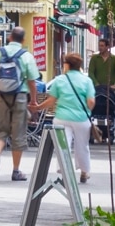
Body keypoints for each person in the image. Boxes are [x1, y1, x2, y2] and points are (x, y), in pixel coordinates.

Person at [0, 27, 40, 182]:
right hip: (20, 96)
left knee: (0, 130)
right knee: (18, 133)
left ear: (9, 37)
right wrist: (33, 101)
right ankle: (16, 171)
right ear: (23, 40)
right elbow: (32, 82)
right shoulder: (26, 56)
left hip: (0, 96)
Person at [33, 53, 96, 183]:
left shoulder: (60, 80)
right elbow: (91, 102)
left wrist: (38, 107)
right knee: (82, 145)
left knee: (63, 145)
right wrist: (86, 110)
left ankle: (64, 171)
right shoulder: (87, 81)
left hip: (62, 118)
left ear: (67, 65)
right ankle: (84, 171)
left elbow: (51, 100)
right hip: (81, 118)